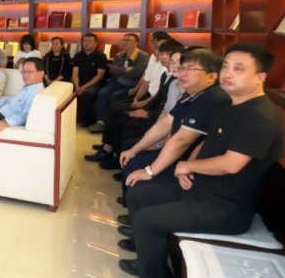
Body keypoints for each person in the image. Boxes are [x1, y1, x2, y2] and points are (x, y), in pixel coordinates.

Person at [117, 43, 283, 278]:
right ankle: (146, 253)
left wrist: (187, 165)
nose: (228, 73)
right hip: (201, 188)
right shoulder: (232, 104)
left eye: (238, 69)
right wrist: (187, 168)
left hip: (225, 206)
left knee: (146, 220)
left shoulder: (258, 116)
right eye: (226, 66)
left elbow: (231, 164)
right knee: (137, 193)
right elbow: (204, 143)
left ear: (260, 77)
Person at [87, 40, 183, 167]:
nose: (164, 57)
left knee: (127, 123)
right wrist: (143, 107)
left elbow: (170, 109)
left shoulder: (179, 80)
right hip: (156, 110)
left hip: (161, 116)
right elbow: (158, 98)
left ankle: (119, 159)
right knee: (115, 108)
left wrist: (147, 113)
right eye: (161, 53)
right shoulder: (166, 75)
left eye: (168, 54)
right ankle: (108, 149)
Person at [87, 34, 149, 133]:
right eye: (124, 40)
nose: (125, 42)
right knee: (102, 93)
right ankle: (100, 122)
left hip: (131, 85)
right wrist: (126, 69)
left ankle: (109, 124)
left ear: (136, 43)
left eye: (128, 40)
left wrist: (120, 71)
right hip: (116, 82)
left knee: (115, 96)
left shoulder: (143, 56)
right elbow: (112, 70)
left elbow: (138, 72)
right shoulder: (119, 55)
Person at [72, 33, 107, 125]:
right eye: (84, 41)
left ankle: (85, 121)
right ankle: (70, 119)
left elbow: (99, 75)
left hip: (95, 83)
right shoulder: (78, 55)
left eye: (89, 41)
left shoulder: (101, 56)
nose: (86, 43)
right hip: (80, 81)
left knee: (89, 93)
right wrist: (77, 86)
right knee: (67, 90)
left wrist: (85, 86)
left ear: (95, 44)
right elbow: (75, 73)